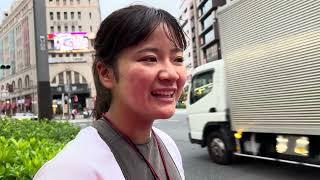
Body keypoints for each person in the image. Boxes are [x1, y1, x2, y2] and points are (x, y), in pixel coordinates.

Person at [34, 4, 187, 180]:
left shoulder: (167, 144)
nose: (171, 74)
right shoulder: (70, 170)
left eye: (178, 59)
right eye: (150, 58)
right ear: (106, 73)